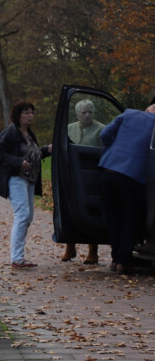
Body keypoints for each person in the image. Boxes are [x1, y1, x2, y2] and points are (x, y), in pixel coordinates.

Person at [0, 101, 52, 269]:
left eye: (32, 113)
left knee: (28, 217)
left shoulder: (29, 134)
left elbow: (33, 154)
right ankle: (16, 258)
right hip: (16, 178)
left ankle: (19, 257)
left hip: (30, 180)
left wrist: (47, 150)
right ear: (17, 115)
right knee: (22, 214)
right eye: (26, 112)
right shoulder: (10, 132)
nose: (30, 116)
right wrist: (18, 162)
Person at [97, 96, 155, 274]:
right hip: (132, 176)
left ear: (147, 109)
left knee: (114, 217)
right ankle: (124, 261)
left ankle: (115, 260)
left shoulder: (129, 114)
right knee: (131, 219)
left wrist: (114, 149)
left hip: (108, 170)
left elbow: (104, 134)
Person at [63, 99, 104, 264]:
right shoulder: (69, 128)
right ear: (77, 114)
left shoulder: (102, 130)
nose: (87, 115)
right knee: (70, 209)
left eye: (90, 112)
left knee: (91, 211)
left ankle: (93, 251)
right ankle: (70, 246)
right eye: (84, 112)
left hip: (92, 176)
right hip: (72, 175)